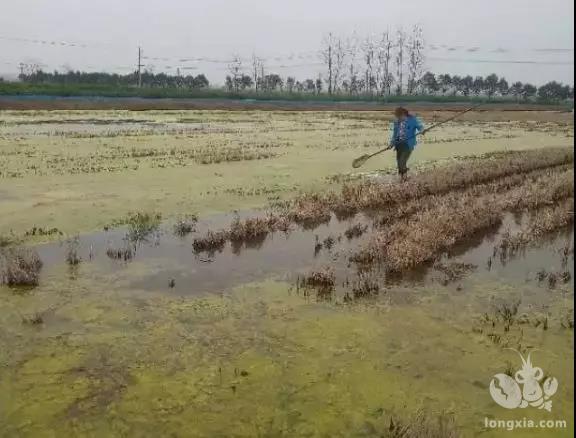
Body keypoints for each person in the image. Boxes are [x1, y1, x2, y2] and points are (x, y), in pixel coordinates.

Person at [388, 107, 425, 181]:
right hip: (398, 144)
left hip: (407, 144)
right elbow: (395, 135)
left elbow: (420, 127)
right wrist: (391, 143)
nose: (398, 118)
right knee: (399, 162)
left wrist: (422, 130)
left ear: (404, 114)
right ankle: (401, 177)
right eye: (397, 116)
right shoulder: (396, 122)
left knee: (402, 161)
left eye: (399, 116)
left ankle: (405, 177)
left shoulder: (412, 120)